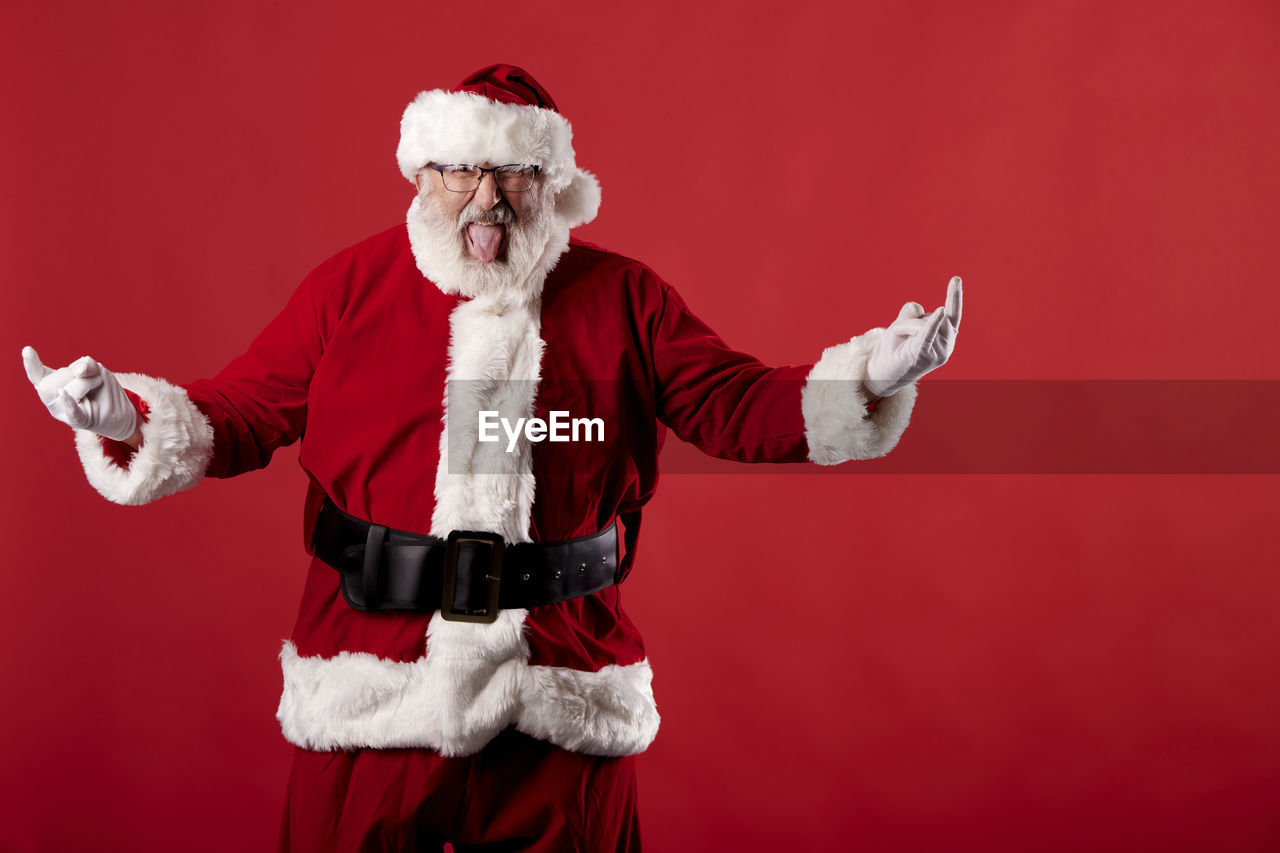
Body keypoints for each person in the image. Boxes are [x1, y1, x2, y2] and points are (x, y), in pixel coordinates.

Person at [21, 64, 961, 852]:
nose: (485, 198)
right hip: (371, 696)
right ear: (421, 175)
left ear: (549, 184)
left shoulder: (623, 297)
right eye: (459, 170)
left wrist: (871, 373)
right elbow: (240, 412)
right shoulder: (348, 289)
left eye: (511, 173)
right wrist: (124, 416)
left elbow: (735, 403)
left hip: (557, 698)